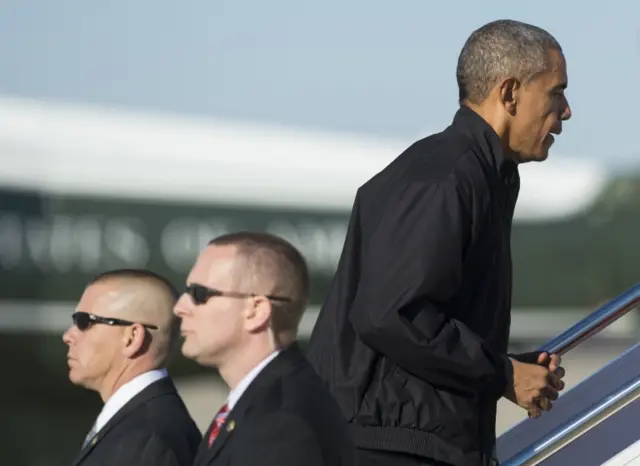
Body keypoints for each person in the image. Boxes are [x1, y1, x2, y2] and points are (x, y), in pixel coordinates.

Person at [305, 19, 570, 466]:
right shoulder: (446, 176)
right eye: (556, 92)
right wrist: (500, 372)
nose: (565, 111)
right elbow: (392, 313)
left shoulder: (481, 175)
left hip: (412, 440)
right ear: (509, 94)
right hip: (389, 447)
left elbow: (418, 312)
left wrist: (498, 366)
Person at [174, 231, 356, 466]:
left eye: (199, 294)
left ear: (256, 311)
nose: (180, 307)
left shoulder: (281, 424)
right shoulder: (262, 403)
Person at [62, 268, 202, 466]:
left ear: (132, 338)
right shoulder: (136, 426)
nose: (68, 336)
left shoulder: (150, 440)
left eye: (84, 322)